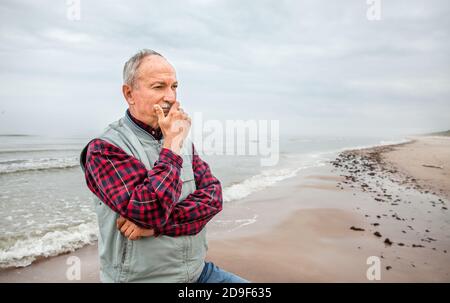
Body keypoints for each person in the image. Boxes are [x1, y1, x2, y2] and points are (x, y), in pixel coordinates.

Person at [79, 49, 248, 283]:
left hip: (197, 274)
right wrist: (171, 146)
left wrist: (158, 228)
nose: (171, 97)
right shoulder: (104, 149)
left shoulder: (180, 143)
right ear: (129, 93)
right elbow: (150, 211)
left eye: (174, 87)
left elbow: (213, 197)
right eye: (159, 87)